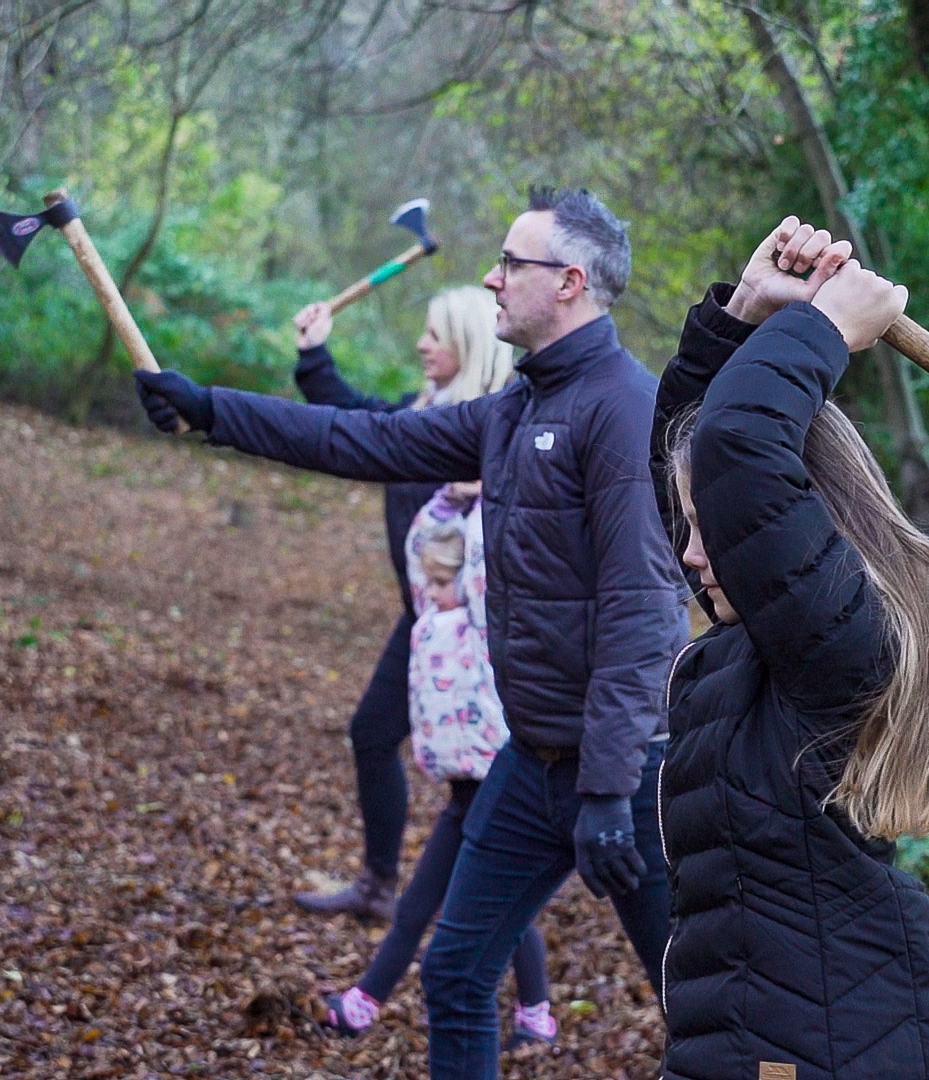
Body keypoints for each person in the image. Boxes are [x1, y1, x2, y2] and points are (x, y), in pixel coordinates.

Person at [135, 187, 685, 1080]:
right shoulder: (516, 407)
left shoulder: (621, 409)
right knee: (459, 974)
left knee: (699, 1002)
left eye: (512, 263)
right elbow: (366, 440)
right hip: (535, 761)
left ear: (572, 282)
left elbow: (644, 608)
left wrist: (610, 790)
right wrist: (211, 410)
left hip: (632, 777)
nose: (491, 277)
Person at [649, 218, 929, 1080]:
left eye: (707, 528)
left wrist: (826, 329)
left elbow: (735, 455)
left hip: (837, 1053)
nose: (689, 550)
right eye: (689, 524)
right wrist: (746, 316)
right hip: (770, 1037)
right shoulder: (767, 639)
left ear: (811, 524)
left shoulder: (837, 649)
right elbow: (703, 459)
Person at [288, 285, 514, 922]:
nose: (422, 344)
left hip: (480, 636)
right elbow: (355, 423)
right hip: (423, 625)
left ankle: (494, 931)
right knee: (372, 735)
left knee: (481, 784)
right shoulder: (426, 414)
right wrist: (314, 357)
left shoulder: (487, 429)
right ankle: (381, 885)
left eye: (435, 334)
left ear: (468, 343)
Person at [322, 486, 557, 1048]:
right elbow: (420, 546)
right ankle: (367, 1004)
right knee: (432, 907)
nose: (425, 591)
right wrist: (447, 500)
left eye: (438, 582)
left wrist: (482, 500)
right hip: (462, 792)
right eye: (424, 583)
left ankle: (530, 1014)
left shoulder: (481, 622)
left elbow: (476, 555)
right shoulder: (431, 615)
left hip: (498, 788)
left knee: (488, 909)